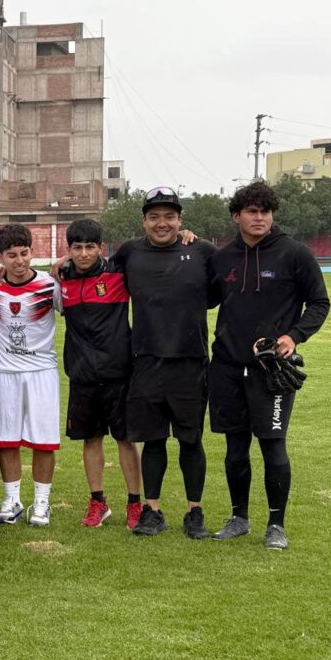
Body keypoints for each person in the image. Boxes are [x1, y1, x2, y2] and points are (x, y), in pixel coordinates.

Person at [208, 181, 330, 549]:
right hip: (227, 365)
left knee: (273, 447)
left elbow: (320, 303)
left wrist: (293, 336)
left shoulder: (294, 253)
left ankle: (276, 525)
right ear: (236, 216)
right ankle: (239, 517)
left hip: (271, 370)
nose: (259, 217)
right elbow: (208, 298)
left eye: (265, 211)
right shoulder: (222, 257)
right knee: (234, 448)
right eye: (251, 211)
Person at [110, 187, 218, 539]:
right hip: (146, 361)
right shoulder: (129, 252)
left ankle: (194, 511)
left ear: (180, 220)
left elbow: (221, 290)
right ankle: (152, 510)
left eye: (169, 216)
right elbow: (96, 272)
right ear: (144, 220)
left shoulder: (201, 251)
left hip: (190, 361)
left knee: (190, 440)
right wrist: (61, 264)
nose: (162, 223)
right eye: (154, 216)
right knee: (153, 439)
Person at [57, 219, 143, 530]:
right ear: (68, 250)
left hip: (119, 372)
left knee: (125, 439)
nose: (83, 254)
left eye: (89, 247)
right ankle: (98, 502)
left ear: (100, 248)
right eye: (76, 248)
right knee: (91, 439)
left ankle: (135, 504)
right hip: (82, 376)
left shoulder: (118, 274)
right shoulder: (62, 278)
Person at [0, 225, 62, 528]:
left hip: (42, 372)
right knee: (7, 441)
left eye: (25, 253)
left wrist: (64, 263)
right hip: (5, 373)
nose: (19, 261)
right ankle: (12, 500)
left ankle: (41, 503)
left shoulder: (48, 285)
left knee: (44, 442)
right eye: (12, 255)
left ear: (32, 251)